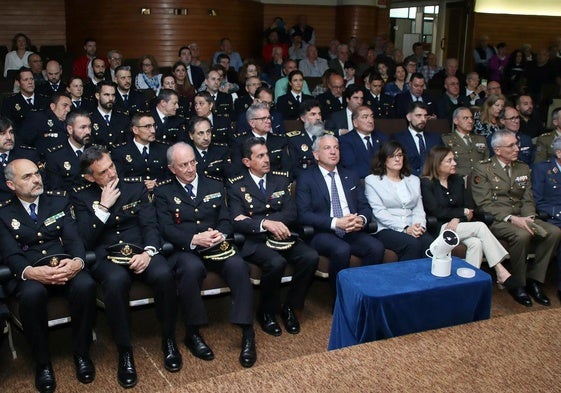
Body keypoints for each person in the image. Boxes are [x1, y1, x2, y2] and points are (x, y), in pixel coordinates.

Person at [72, 146, 182, 388]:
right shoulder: (81, 197)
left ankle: (169, 339)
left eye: (112, 166)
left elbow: (151, 225)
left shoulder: (134, 186)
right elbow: (84, 240)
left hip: (141, 249)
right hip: (107, 256)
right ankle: (125, 351)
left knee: (164, 274)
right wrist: (102, 207)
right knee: (115, 282)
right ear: (90, 177)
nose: (112, 173)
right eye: (103, 171)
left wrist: (149, 252)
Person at [154, 142, 255, 367]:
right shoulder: (163, 192)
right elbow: (166, 228)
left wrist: (220, 233)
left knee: (238, 266)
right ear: (172, 169)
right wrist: (193, 239)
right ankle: (193, 332)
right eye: (183, 165)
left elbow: (226, 219)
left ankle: (248, 333)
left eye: (192, 162)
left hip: (216, 244)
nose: (190, 168)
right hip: (186, 249)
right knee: (191, 269)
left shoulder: (215, 185)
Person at [0, 159, 96, 393]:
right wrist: (30, 272)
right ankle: (43, 363)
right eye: (27, 177)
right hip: (31, 272)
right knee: (32, 295)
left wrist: (77, 262)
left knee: (85, 284)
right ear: (11, 185)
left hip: (63, 266)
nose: (36, 179)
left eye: (37, 173)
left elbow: (74, 239)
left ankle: (82, 353)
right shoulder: (3, 213)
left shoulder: (58, 202)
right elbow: (10, 253)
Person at [228, 137, 318, 336]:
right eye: (260, 156)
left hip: (283, 235)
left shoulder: (280, 180)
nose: (267, 159)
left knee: (310, 257)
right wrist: (264, 223)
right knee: (275, 263)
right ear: (246, 162)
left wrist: (268, 221)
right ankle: (266, 312)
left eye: (267, 154)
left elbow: (291, 213)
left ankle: (290, 307)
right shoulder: (236, 186)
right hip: (255, 241)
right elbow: (236, 220)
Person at [471, 130, 561, 307]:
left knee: (554, 232)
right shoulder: (482, 169)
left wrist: (528, 217)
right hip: (498, 220)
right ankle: (518, 284)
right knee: (521, 235)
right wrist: (512, 218)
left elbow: (528, 198)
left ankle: (535, 279)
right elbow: (484, 204)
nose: (517, 148)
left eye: (517, 144)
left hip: (522, 216)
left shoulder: (522, 167)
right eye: (511, 145)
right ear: (497, 150)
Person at [296, 134, 385, 296]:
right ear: (316, 154)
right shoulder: (306, 177)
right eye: (327, 148)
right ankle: (340, 298)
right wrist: (336, 222)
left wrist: (361, 219)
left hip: (351, 229)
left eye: (336, 148)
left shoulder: (350, 175)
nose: (333, 152)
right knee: (342, 250)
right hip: (322, 232)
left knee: (376, 247)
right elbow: (304, 214)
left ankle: (363, 293)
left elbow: (365, 207)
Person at [420, 146, 511, 281]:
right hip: (440, 228)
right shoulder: (426, 182)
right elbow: (436, 211)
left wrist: (458, 218)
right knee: (480, 226)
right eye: (449, 161)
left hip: (459, 225)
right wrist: (461, 213)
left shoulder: (457, 180)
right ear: (437, 163)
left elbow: (469, 207)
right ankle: (499, 268)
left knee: (476, 243)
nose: (454, 163)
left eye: (454, 160)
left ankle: (469, 283)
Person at [365, 141, 433, 261]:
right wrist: (405, 228)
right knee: (412, 244)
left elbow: (418, 209)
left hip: (413, 226)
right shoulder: (372, 181)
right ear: (384, 159)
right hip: (386, 229)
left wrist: (419, 227)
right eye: (392, 156)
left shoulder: (414, 180)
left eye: (400, 155)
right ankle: (407, 279)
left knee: (430, 244)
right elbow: (379, 212)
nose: (397, 159)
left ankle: (427, 279)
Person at [531, 136, 561, 302]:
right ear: (558, 153)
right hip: (551, 216)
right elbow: (538, 200)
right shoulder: (542, 169)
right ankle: (535, 281)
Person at [111, 112, 170, 192]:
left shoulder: (164, 148)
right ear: (135, 130)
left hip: (161, 193)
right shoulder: (120, 151)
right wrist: (142, 184)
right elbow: (119, 179)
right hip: (133, 195)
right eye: (147, 127)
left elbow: (170, 176)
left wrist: (157, 184)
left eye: (154, 126)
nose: (153, 130)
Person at [231, 102, 291, 176]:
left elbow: (287, 168)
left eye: (269, 118)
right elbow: (238, 169)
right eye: (263, 119)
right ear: (252, 123)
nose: (269, 121)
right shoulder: (239, 141)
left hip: (277, 182)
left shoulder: (280, 140)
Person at [44, 109, 91, 192]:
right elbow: (56, 190)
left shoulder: (97, 151)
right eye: (82, 127)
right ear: (70, 129)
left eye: (89, 127)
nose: (88, 132)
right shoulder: (55, 156)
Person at [392, 102, 443, 177]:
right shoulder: (398, 138)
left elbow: (442, 160)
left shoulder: (436, 138)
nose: (423, 119)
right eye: (418, 116)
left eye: (425, 116)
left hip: (434, 179)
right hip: (408, 180)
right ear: (409, 117)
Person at [340, 106, 388, 179]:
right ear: (355, 123)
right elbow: (351, 167)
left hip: (384, 179)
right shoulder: (346, 140)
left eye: (371, 116)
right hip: (361, 181)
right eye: (365, 117)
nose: (370, 121)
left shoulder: (382, 137)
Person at [0, 117, 40, 202]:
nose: (9, 137)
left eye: (11, 132)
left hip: (26, 203)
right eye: (2, 133)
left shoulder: (28, 155)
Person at [441, 107, 489, 177]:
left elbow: (486, 159)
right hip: (458, 179)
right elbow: (444, 164)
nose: (470, 121)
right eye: (465, 118)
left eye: (471, 118)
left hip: (480, 178)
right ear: (456, 121)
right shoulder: (446, 140)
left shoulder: (481, 139)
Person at [188, 116, 231, 182]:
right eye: (201, 133)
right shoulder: (186, 154)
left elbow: (229, 177)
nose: (206, 137)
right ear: (191, 135)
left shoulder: (222, 151)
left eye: (208, 132)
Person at [89, 81, 130, 149]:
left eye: (113, 95)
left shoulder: (123, 118)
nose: (111, 98)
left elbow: (128, 143)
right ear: (97, 96)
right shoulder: (89, 118)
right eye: (106, 95)